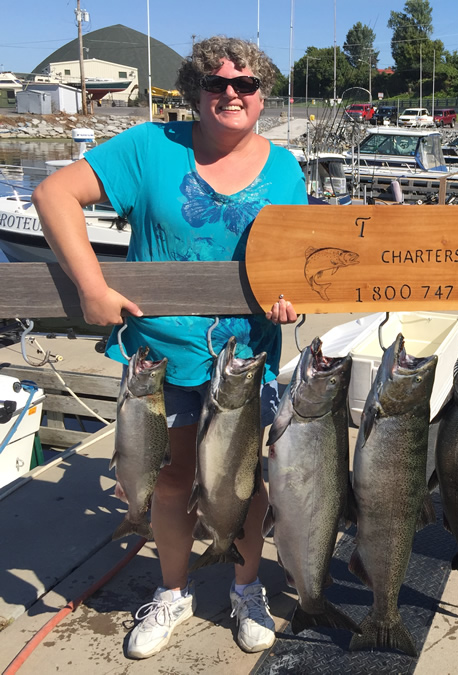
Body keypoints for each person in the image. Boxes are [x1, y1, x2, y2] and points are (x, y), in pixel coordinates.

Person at [32, 36, 307, 659]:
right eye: (216, 83)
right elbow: (54, 196)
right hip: (160, 359)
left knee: (246, 480)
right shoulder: (150, 146)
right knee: (174, 479)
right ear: (195, 91)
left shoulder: (287, 168)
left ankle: (244, 588)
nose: (231, 93)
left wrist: (295, 301)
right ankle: (174, 589)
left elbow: (295, 264)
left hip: (247, 357)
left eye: (245, 83)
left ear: (264, 95)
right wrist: (92, 286)